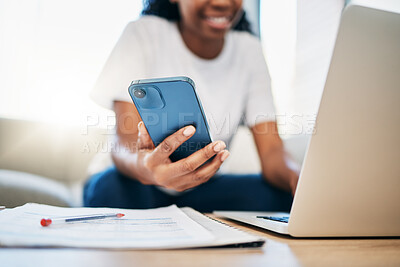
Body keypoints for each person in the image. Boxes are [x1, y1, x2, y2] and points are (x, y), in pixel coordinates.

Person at [84, 0, 299, 212]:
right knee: (111, 190)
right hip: (136, 179)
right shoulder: (143, 33)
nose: (222, 2)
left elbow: (272, 150)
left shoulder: (249, 50)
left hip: (201, 187)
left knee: (275, 196)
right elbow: (125, 141)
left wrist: (298, 178)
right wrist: (147, 169)